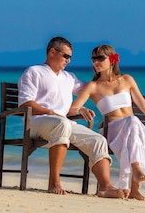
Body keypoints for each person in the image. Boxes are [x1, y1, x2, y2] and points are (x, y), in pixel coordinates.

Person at [69, 44, 145, 200]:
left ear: (112, 59)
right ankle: (135, 171)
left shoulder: (127, 79)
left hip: (131, 130)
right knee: (133, 121)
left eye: (100, 58)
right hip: (112, 132)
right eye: (93, 58)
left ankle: (134, 187)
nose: (96, 61)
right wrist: (81, 110)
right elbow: (72, 109)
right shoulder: (92, 86)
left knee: (133, 123)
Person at [17, 37, 124, 198]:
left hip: (62, 123)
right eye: (66, 56)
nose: (68, 60)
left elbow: (93, 89)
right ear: (52, 52)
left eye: (70, 57)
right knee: (62, 123)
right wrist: (50, 112)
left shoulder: (69, 77)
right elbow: (26, 104)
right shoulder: (34, 72)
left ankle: (105, 186)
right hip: (36, 123)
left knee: (98, 140)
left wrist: (81, 108)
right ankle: (54, 182)